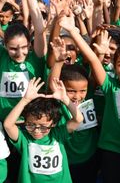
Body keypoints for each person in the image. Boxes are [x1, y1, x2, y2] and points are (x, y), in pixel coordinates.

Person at [3, 77, 83, 183]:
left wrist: (65, 99)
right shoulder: (24, 139)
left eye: (43, 126)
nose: (37, 131)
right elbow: (8, 125)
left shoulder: (58, 135)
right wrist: (25, 100)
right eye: (30, 125)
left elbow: (78, 119)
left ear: (53, 123)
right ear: (24, 121)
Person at [48, 37, 99, 183]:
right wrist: (58, 62)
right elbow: (54, 83)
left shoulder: (88, 96)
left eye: (82, 91)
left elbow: (94, 66)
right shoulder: (60, 100)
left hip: (90, 156)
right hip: (67, 160)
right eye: (71, 91)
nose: (77, 96)